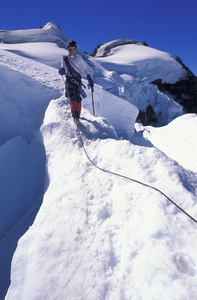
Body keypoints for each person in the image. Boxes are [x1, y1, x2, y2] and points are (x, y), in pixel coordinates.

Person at [59, 40, 94, 122]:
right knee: (72, 98)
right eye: (70, 49)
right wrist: (61, 70)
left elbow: (84, 69)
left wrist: (88, 77)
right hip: (69, 80)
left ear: (75, 49)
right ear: (67, 49)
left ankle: (77, 115)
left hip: (77, 80)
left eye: (73, 49)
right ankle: (74, 117)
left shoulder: (79, 58)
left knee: (78, 98)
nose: (71, 51)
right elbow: (63, 68)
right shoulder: (64, 59)